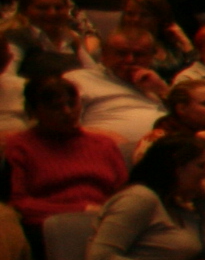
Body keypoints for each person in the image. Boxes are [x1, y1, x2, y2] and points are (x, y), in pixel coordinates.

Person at [4, 74, 127, 236]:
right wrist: (80, 210)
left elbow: (125, 192)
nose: (67, 112)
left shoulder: (104, 144)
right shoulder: (19, 147)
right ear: (33, 111)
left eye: (72, 104)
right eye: (56, 107)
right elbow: (17, 203)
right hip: (51, 228)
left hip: (106, 223)